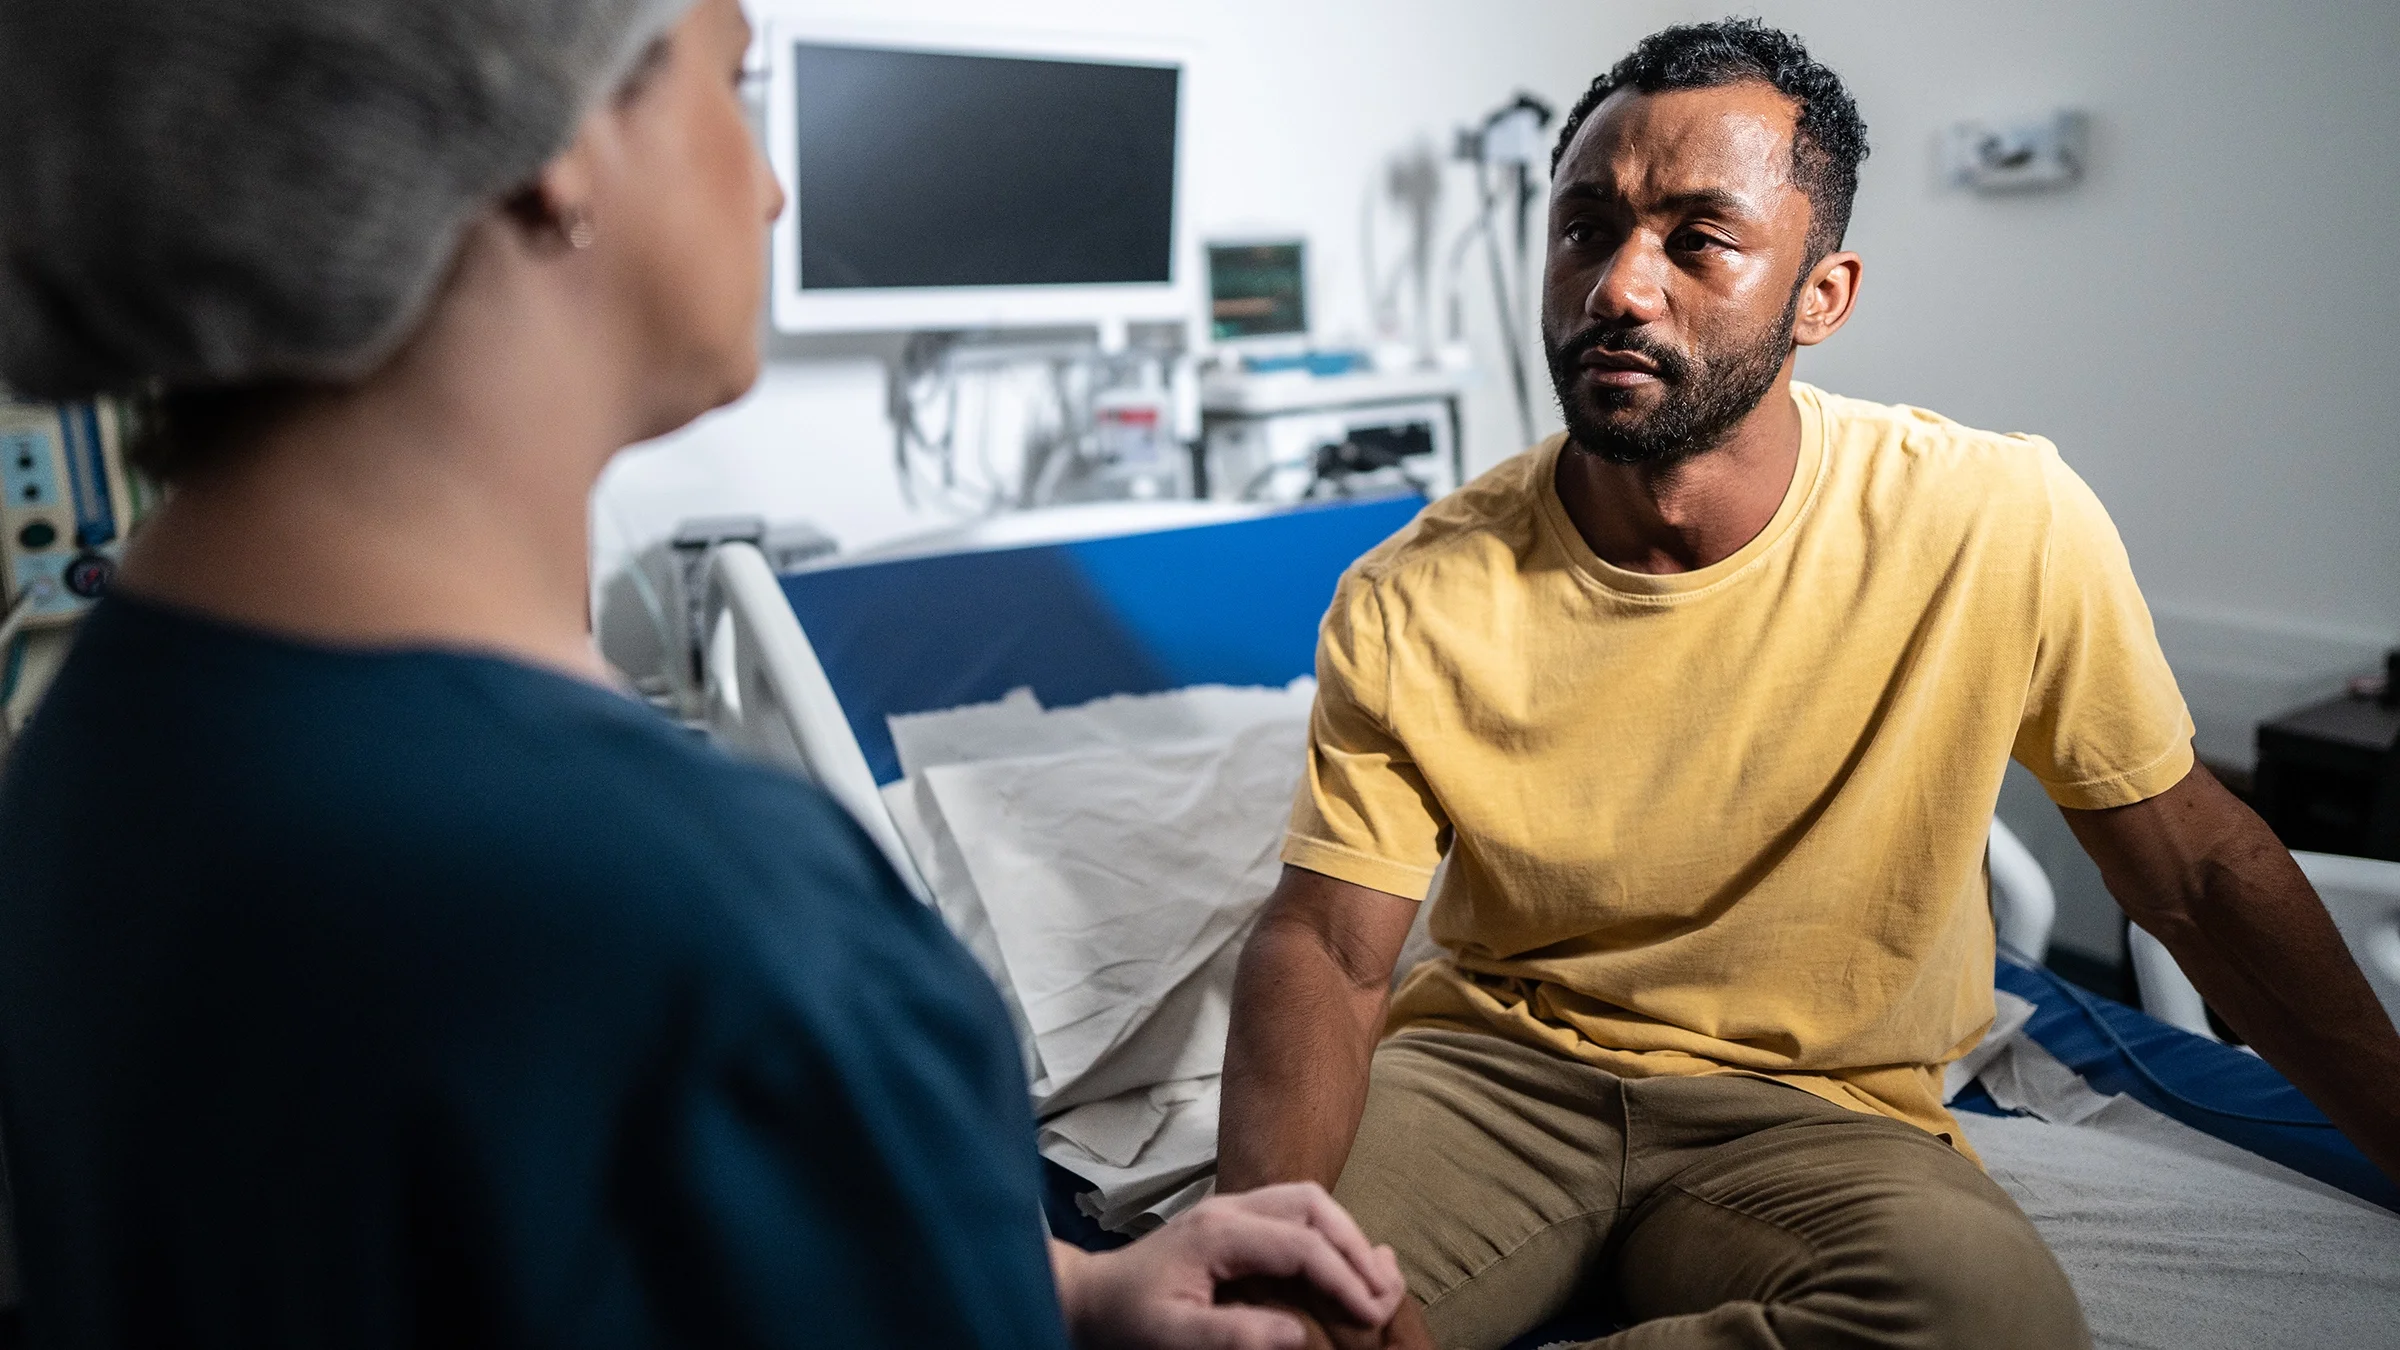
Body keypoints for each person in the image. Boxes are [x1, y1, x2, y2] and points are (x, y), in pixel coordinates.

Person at [0, 1, 1410, 1346]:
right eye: (733, 86)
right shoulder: (722, 946)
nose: (777, 189)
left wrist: (1057, 1293)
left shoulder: (94, 752)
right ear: (553, 137)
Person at [1216, 18, 2400, 1350]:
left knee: (1990, 1321)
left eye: (1695, 239)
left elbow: (2193, 872)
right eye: (1584, 227)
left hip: (1822, 1106)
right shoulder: (1413, 589)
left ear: (1822, 295)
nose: (1619, 284)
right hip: (1498, 1076)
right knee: (1255, 1323)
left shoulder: (1996, 520)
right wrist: (1264, 1238)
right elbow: (1325, 942)